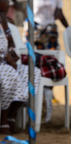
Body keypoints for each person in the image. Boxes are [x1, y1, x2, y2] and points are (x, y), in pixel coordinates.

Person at [0, 0, 41, 134]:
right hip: (2, 64)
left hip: (4, 62)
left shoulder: (4, 20)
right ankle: (3, 119)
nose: (8, 3)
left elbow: (10, 42)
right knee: (9, 73)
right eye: (5, 0)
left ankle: (12, 114)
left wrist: (11, 53)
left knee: (32, 73)